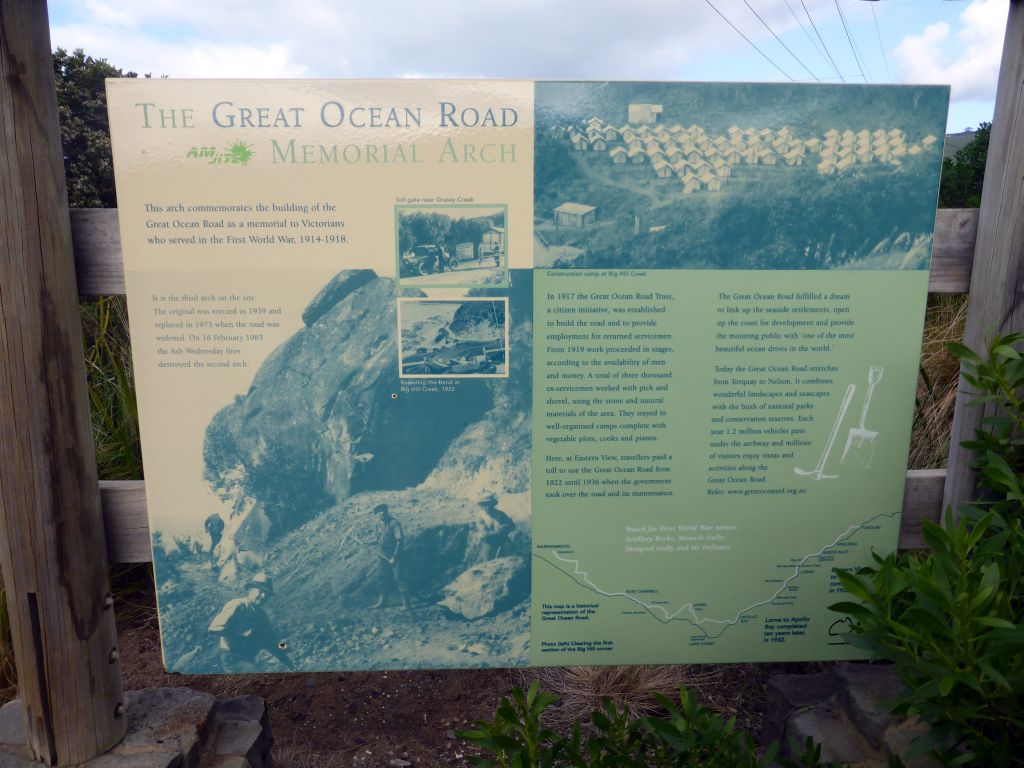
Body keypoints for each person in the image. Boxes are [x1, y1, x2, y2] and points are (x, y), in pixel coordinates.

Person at [208, 572, 293, 671]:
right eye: (260, 591)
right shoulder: (237, 605)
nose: (263, 596)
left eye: (267, 594)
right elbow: (213, 628)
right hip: (233, 659)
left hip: (248, 659)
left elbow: (272, 640)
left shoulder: (261, 615)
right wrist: (241, 634)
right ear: (251, 590)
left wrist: (286, 650)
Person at [371, 503, 409, 610]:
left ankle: (406, 604)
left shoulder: (394, 523)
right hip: (382, 555)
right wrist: (369, 543)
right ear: (376, 514)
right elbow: (378, 539)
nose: (381, 513)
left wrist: (394, 557)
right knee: (382, 577)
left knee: (399, 577)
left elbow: (399, 542)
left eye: (383, 510)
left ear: (387, 511)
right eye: (379, 511)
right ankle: (382, 601)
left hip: (395, 553)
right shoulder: (378, 524)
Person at [473, 493, 516, 560]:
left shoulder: (500, 514)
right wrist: (499, 531)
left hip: (503, 540)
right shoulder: (480, 516)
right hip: (489, 542)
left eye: (489, 504)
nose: (487, 507)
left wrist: (505, 526)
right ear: (482, 505)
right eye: (485, 505)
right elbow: (485, 534)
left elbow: (512, 526)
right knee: (488, 562)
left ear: (492, 504)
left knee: (513, 556)